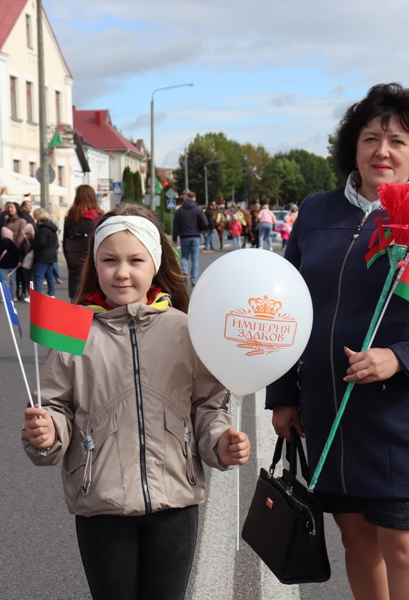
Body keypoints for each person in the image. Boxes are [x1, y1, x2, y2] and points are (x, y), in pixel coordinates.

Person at [266, 83, 409, 600]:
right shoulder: (317, 213)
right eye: (370, 138)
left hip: (407, 417)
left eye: (397, 141)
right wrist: (282, 395)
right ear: (353, 147)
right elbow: (283, 309)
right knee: (357, 540)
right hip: (330, 413)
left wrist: (399, 358)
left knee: (408, 547)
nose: (382, 151)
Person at [21, 203, 250, 600]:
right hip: (101, 506)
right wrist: (47, 432)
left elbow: (207, 407)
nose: (122, 271)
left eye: (135, 259)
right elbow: (56, 404)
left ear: (155, 263)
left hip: (174, 504)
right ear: (95, 265)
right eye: (109, 260)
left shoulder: (186, 328)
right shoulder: (72, 330)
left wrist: (220, 441)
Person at [63, 184, 103, 300]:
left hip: (74, 259)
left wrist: (69, 259)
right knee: (92, 294)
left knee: (76, 296)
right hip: (92, 260)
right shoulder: (99, 217)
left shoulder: (70, 217)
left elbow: (65, 241)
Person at [170, 191, 207, 286]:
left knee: (184, 257)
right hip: (195, 236)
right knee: (194, 258)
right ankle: (194, 280)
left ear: (186, 199)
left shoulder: (180, 211)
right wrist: (200, 229)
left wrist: (174, 238)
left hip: (184, 237)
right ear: (194, 198)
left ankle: (185, 273)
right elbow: (205, 223)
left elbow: (175, 226)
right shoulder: (198, 210)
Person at [32, 209, 59, 297]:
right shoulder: (52, 229)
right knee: (50, 275)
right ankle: (51, 294)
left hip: (43, 255)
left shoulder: (43, 230)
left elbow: (41, 243)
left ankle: (37, 295)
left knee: (38, 276)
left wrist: (32, 245)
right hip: (51, 255)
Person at [0, 227, 20, 300]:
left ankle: (6, 296)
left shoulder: (0, 245)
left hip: (4, 266)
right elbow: (17, 254)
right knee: (13, 280)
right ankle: (14, 296)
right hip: (13, 265)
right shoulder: (13, 245)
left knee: (5, 280)